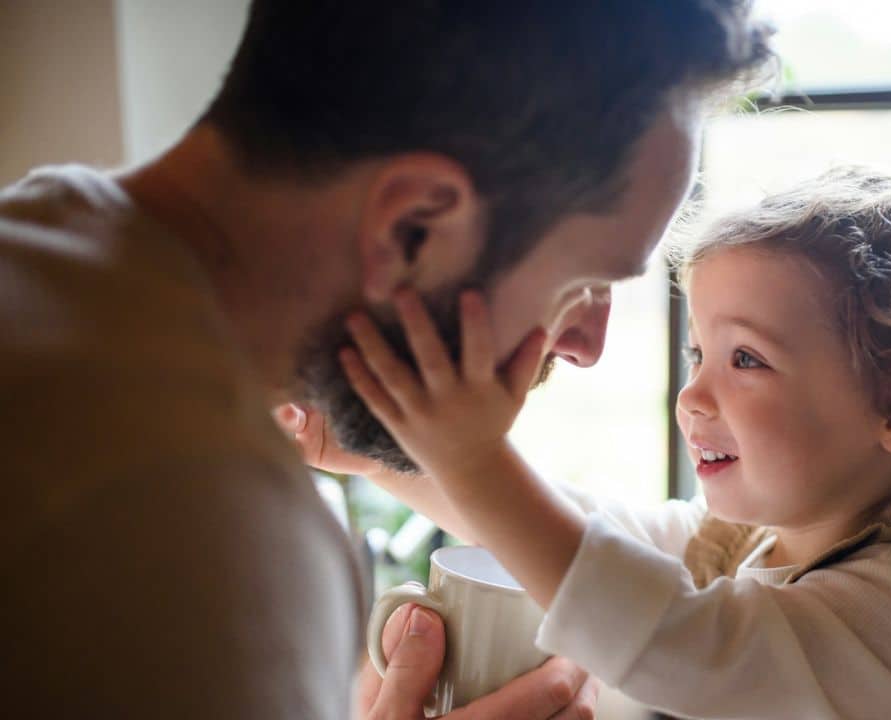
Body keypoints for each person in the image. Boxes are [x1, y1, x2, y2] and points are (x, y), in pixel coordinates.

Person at [0, 1, 771, 717]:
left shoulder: (42, 253)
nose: (587, 347)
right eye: (583, 285)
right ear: (413, 227)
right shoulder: (197, 513)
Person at [326, 134, 891, 719]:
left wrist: (476, 460)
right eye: (698, 353)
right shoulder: (747, 546)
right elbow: (587, 534)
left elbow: (679, 635)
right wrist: (380, 457)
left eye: (746, 358)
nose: (692, 395)